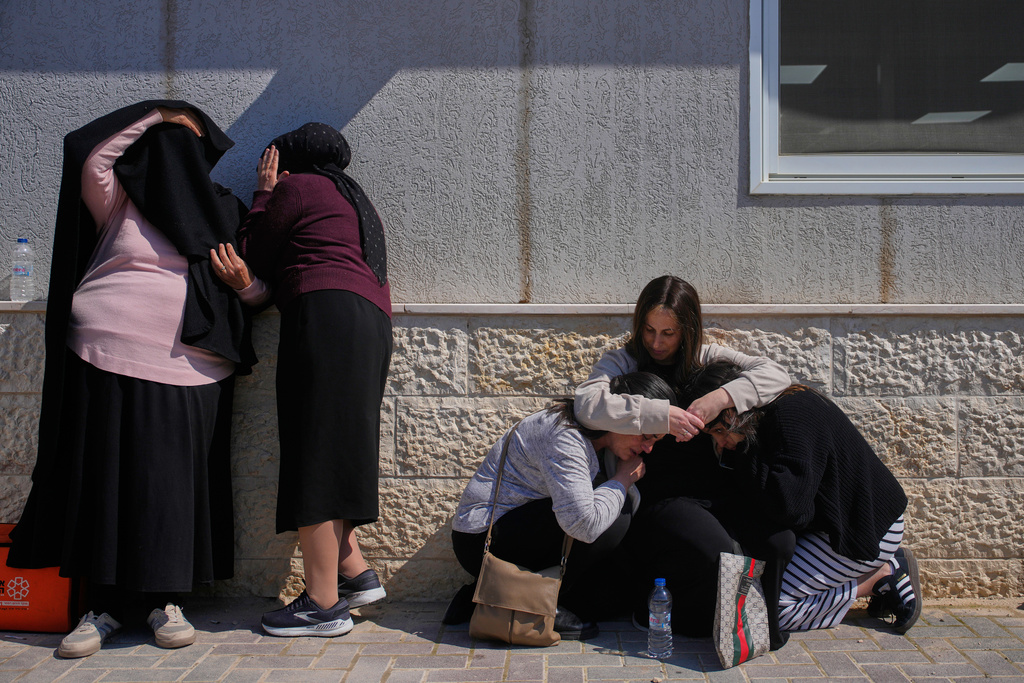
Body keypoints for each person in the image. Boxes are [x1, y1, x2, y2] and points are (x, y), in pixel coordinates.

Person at [7, 100, 256, 658]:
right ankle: (101, 609)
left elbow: (260, 294)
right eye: (166, 146)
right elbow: (88, 153)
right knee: (103, 484)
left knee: (169, 489)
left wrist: (242, 284)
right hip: (103, 352)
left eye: (186, 149)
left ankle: (163, 601)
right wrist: (163, 114)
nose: (173, 157)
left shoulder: (223, 210)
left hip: (191, 368)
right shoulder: (121, 198)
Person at [212, 123, 392, 638]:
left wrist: (265, 192)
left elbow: (253, 252)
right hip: (371, 325)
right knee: (339, 450)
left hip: (326, 317)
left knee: (314, 452)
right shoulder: (355, 199)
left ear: (289, 160)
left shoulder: (298, 187)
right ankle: (355, 575)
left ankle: (321, 605)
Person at [571, 275, 793, 637]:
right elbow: (587, 404)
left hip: (716, 493)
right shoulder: (622, 361)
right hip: (659, 497)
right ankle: (658, 612)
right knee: (718, 551)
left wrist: (721, 398)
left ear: (688, 330)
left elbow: (776, 375)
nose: (656, 343)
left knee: (779, 540)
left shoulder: (707, 356)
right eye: (648, 330)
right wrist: (659, 416)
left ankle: (758, 628)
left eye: (668, 333)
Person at [686, 360, 922, 634]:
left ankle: (879, 577)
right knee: (762, 592)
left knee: (772, 612)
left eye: (718, 430)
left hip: (865, 531)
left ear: (735, 408)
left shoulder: (791, 416)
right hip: (837, 526)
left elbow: (791, 508)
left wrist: (742, 453)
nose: (719, 442)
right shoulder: (769, 413)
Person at [444, 372, 678, 640]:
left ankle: (488, 596)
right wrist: (622, 479)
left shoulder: (598, 438)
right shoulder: (565, 436)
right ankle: (534, 604)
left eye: (655, 442)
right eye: (646, 436)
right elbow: (583, 525)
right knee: (615, 518)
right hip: (482, 540)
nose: (648, 448)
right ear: (620, 416)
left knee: (612, 599)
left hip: (521, 531)